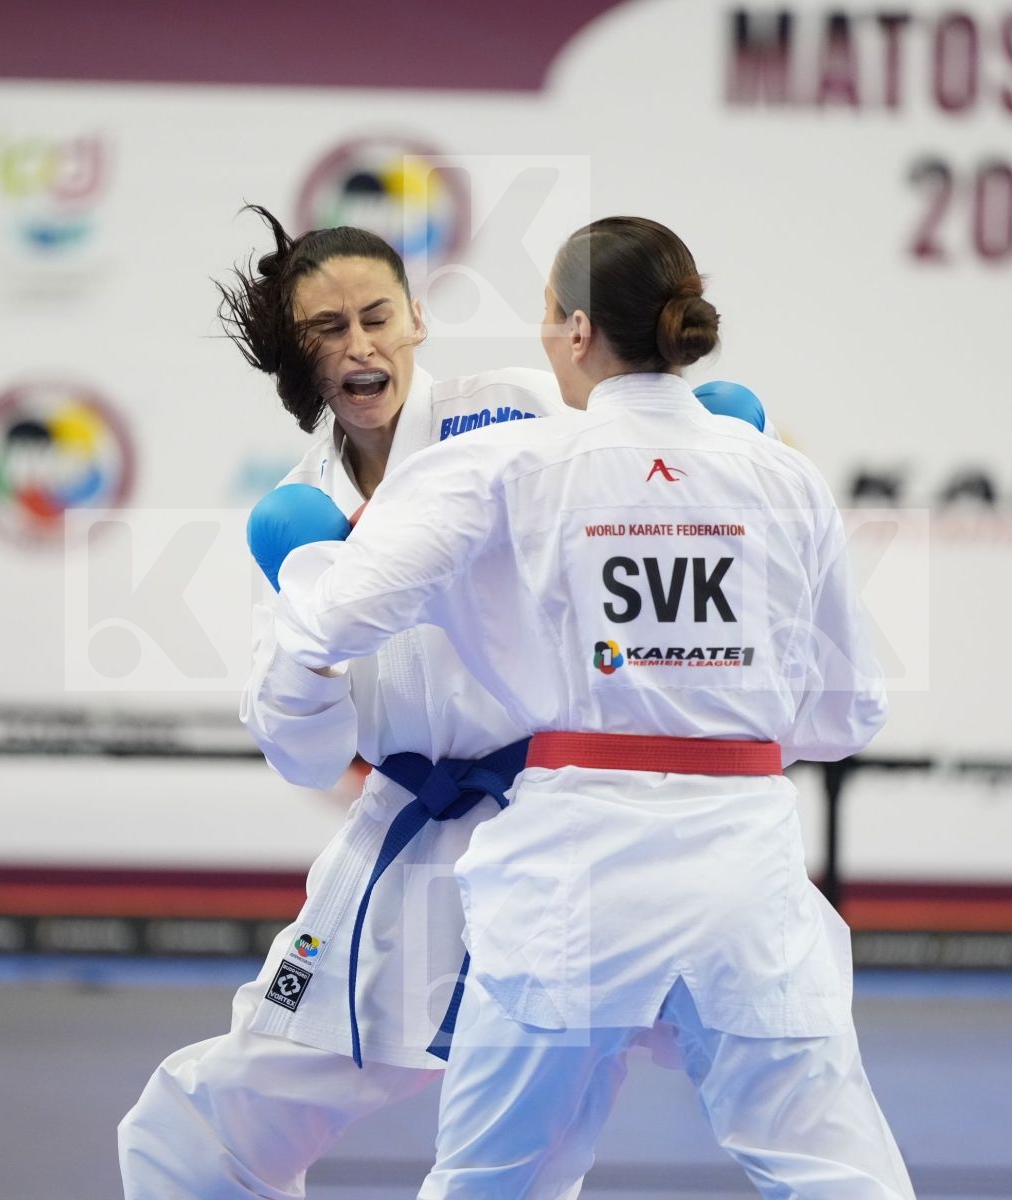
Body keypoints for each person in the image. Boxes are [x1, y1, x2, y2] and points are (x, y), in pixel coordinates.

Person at [116, 208, 770, 1200]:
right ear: (300, 352)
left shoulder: (514, 410)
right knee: (201, 1125)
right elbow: (303, 754)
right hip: (413, 839)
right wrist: (308, 645)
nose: (359, 346)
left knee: (529, 1158)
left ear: (416, 319)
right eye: (328, 329)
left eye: (376, 317)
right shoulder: (301, 509)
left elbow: (639, 459)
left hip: (563, 824)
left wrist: (712, 441)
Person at [269, 217, 916, 1198]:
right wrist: (708, 704)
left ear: (576, 330)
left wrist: (306, 559)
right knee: (837, 1173)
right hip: (744, 865)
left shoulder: (509, 466)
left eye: (545, 314)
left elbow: (337, 619)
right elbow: (849, 715)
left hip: (573, 872)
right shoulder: (783, 475)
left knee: (491, 1179)